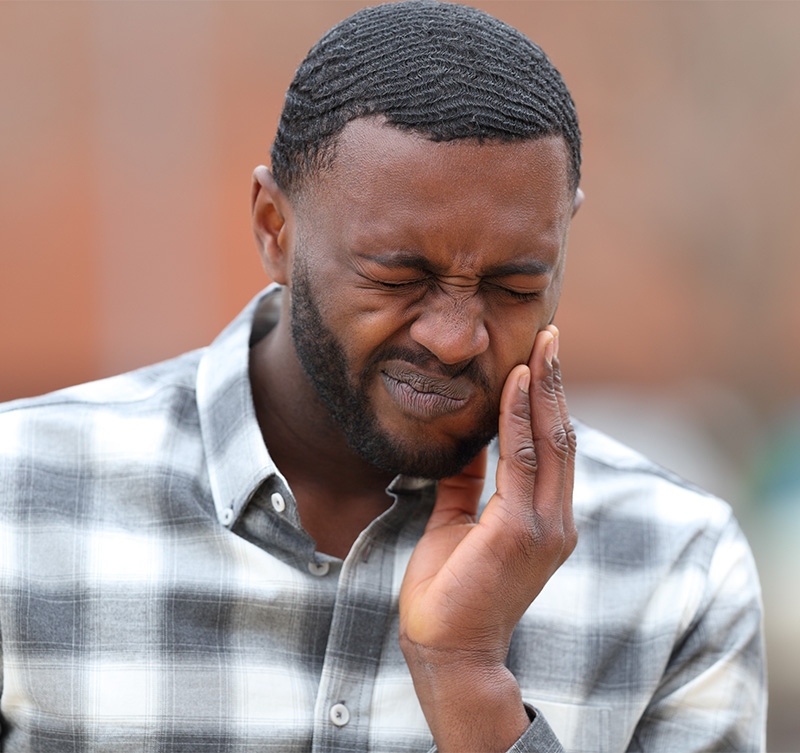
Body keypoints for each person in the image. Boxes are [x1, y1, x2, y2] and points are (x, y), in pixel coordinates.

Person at [0, 2, 766, 751]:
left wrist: (469, 688)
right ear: (274, 227)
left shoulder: (674, 567)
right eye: (399, 276)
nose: (456, 338)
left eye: (514, 286)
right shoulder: (20, 500)